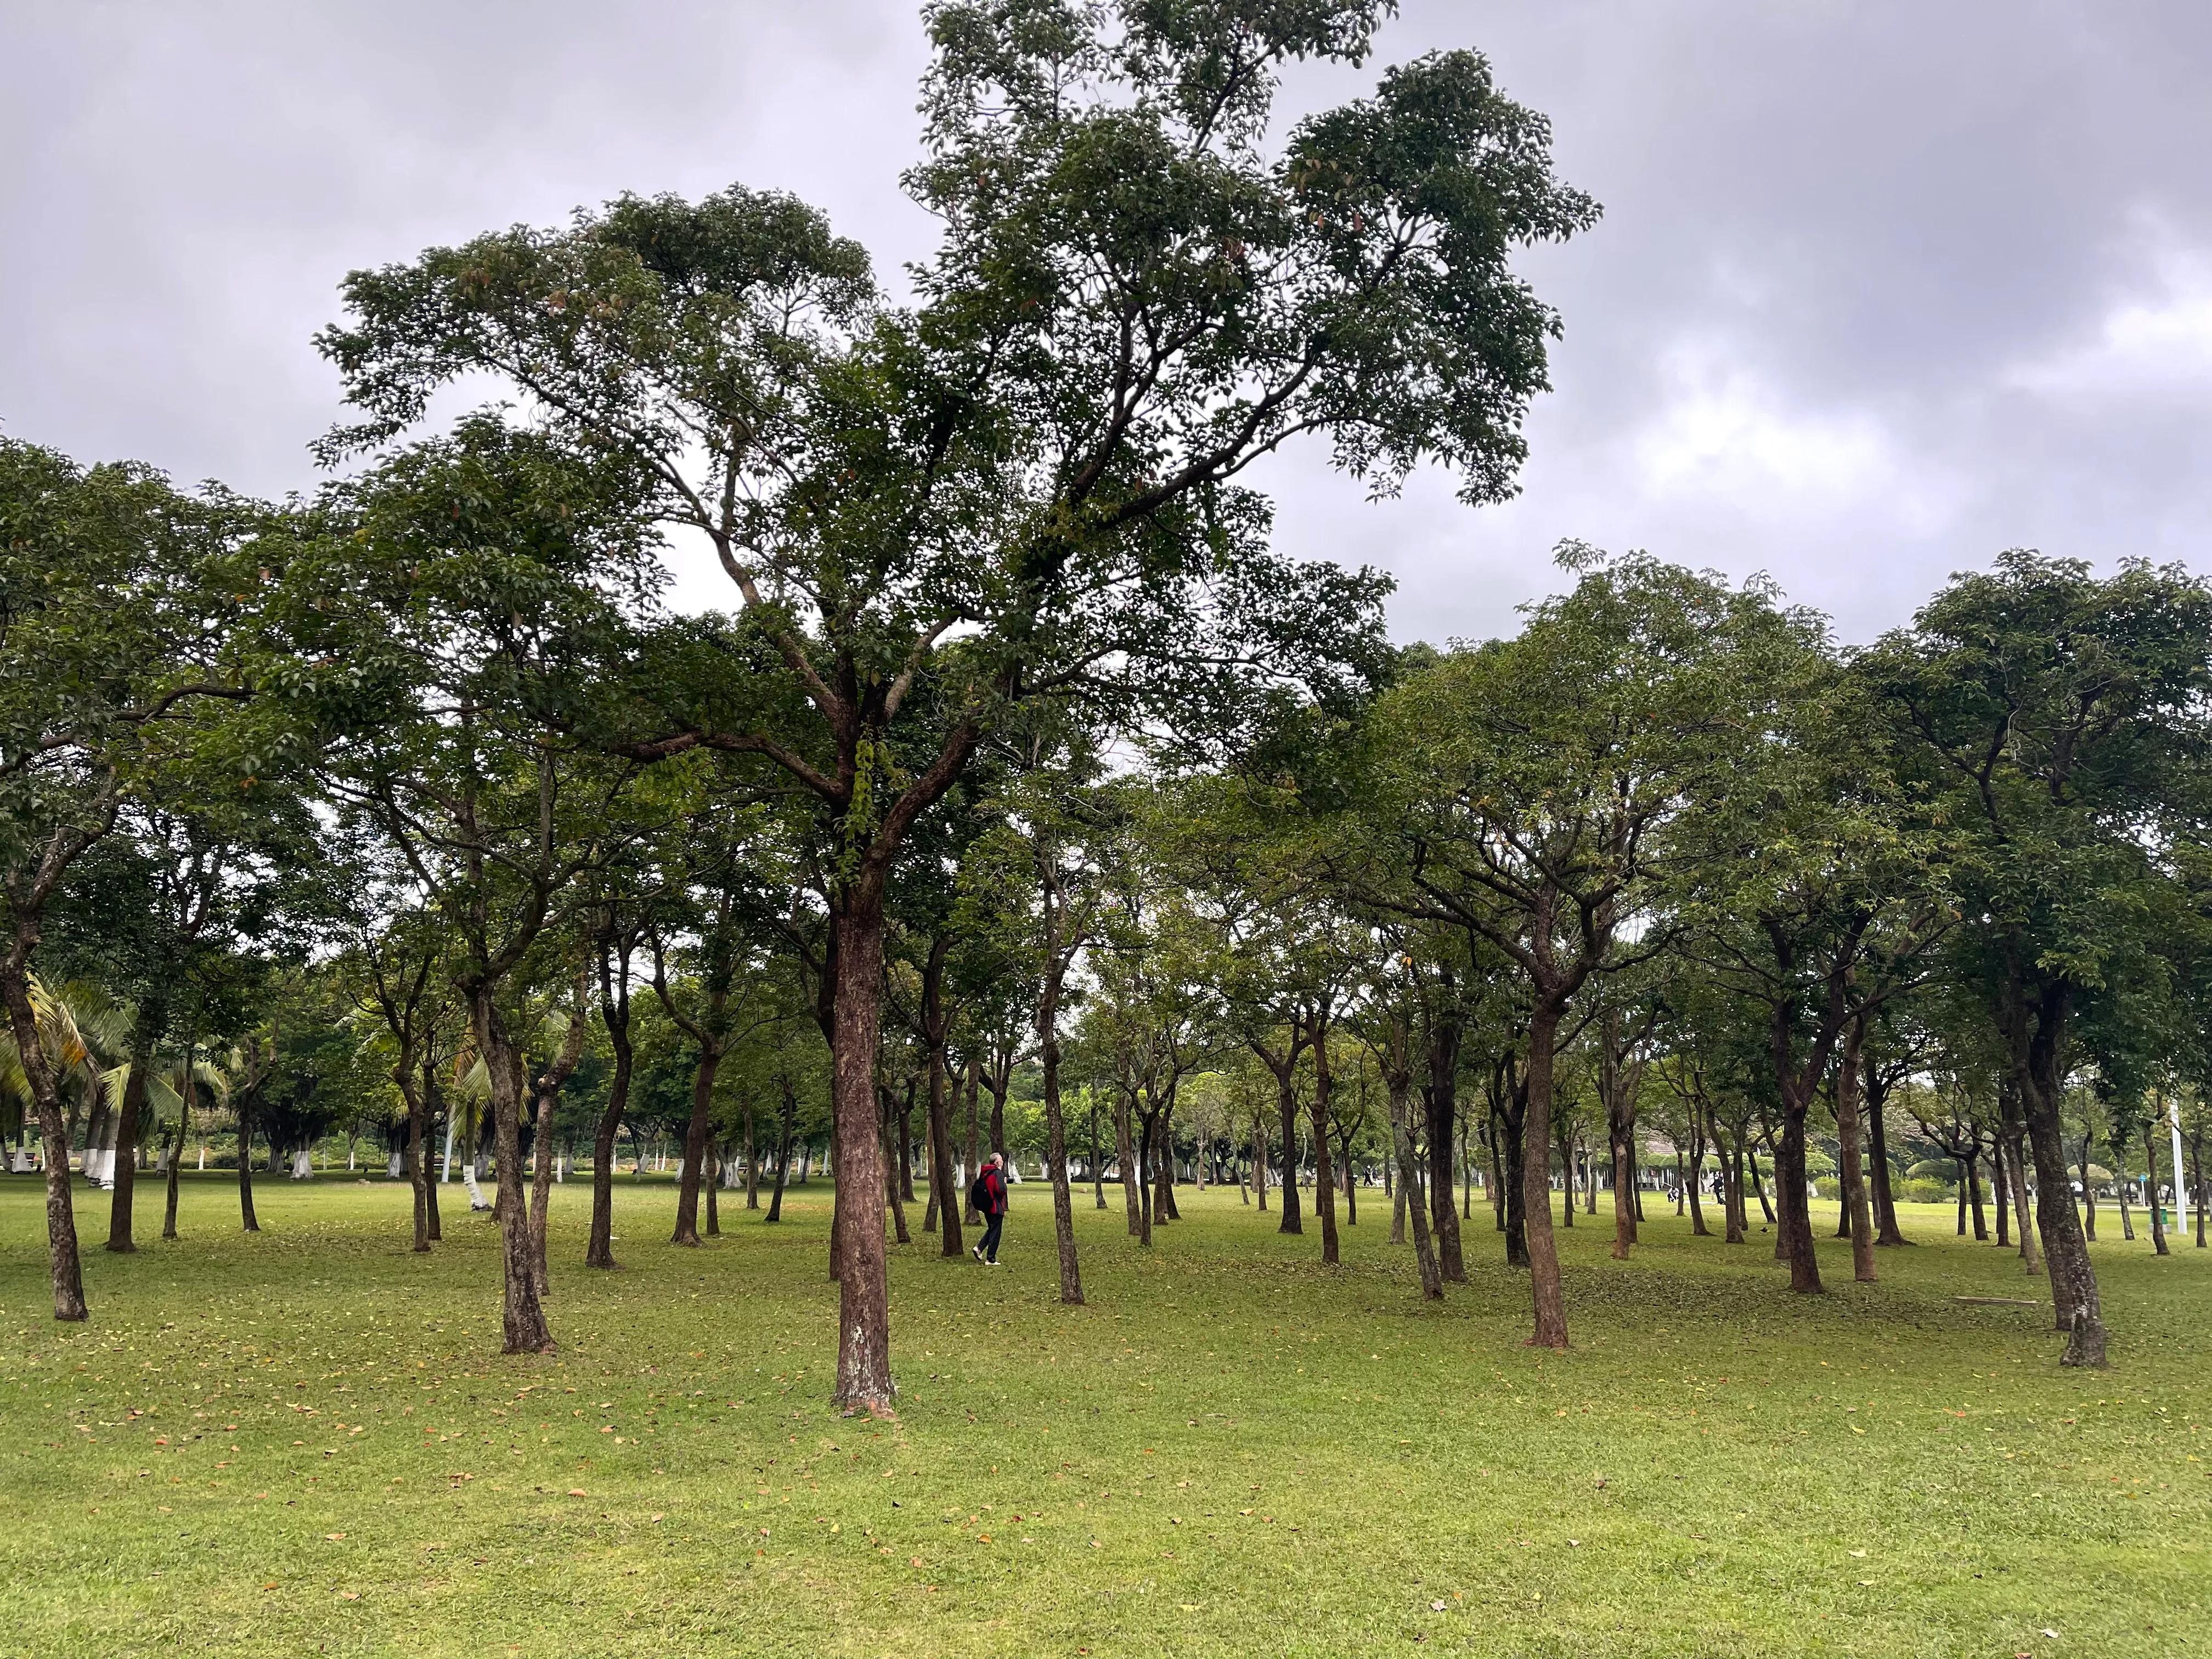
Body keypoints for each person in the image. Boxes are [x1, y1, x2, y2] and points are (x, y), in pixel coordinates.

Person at [972, 1152, 1009, 1266]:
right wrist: (1004, 1183)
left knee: (992, 1229)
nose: (1003, 1162)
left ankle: (979, 1248)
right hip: (996, 1207)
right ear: (997, 1162)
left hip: (986, 1206)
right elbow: (1001, 1190)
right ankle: (991, 1259)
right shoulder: (998, 1173)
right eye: (1001, 1160)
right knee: (995, 1233)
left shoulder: (985, 1172)